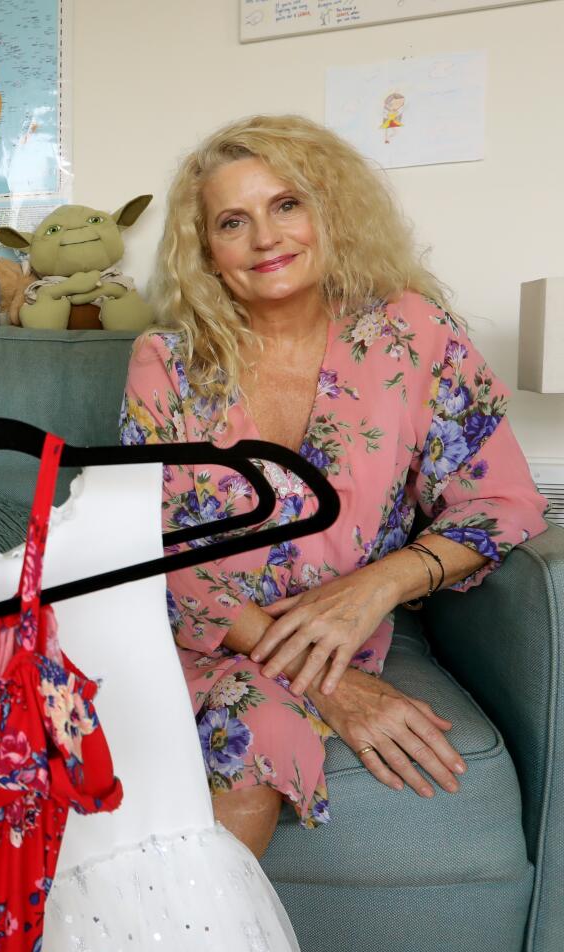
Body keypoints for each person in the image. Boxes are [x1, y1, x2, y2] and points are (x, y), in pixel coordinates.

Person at [120, 114, 548, 858]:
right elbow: (152, 550)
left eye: (287, 204)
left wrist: (378, 586)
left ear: (330, 213)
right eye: (232, 221)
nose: (265, 238)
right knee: (242, 724)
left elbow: (503, 503)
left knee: (255, 726)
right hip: (188, 627)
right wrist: (327, 683)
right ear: (208, 254)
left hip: (334, 634)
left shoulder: (414, 335)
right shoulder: (167, 359)